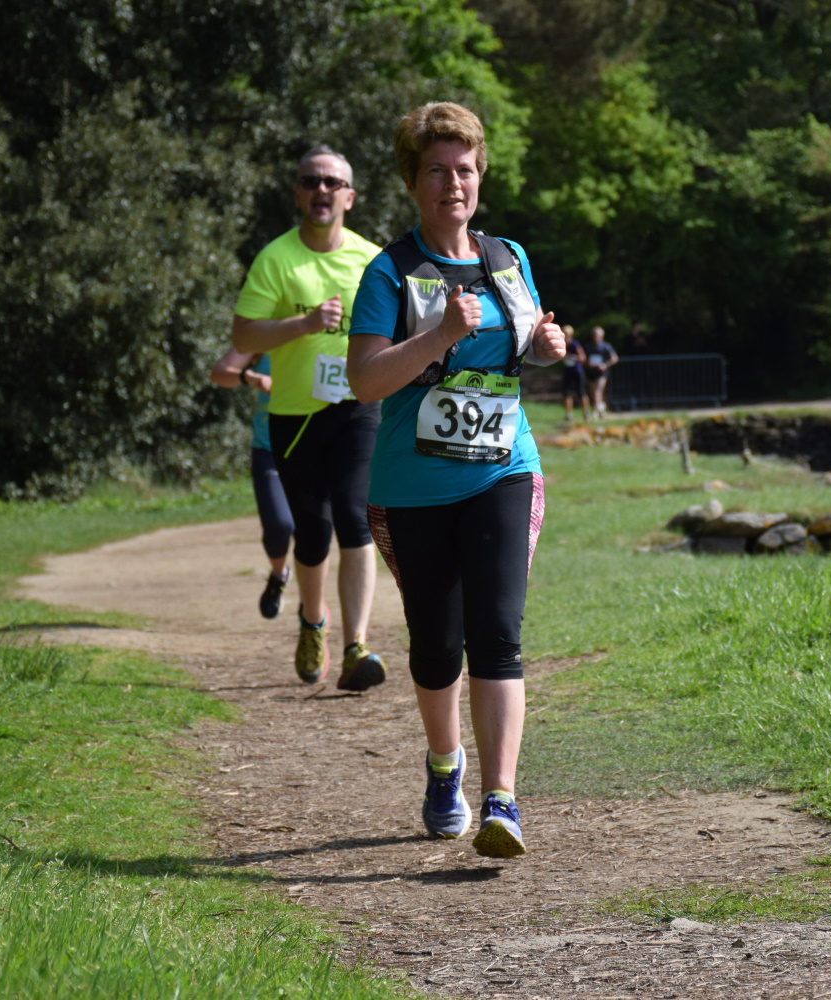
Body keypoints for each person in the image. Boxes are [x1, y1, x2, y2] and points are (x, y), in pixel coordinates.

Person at [346, 102, 567, 859]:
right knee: (437, 647)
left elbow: (520, 348)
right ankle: (446, 767)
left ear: (480, 177)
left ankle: (502, 801)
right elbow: (365, 381)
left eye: (465, 169)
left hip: (504, 470)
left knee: (497, 633)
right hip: (413, 486)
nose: (453, 183)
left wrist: (545, 346)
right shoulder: (389, 272)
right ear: (413, 182)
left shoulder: (508, 256)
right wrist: (438, 334)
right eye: (437, 171)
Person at [230, 145, 386, 693]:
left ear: (350, 197)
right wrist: (304, 324)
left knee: (355, 518)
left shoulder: (372, 260)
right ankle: (313, 621)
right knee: (313, 533)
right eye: (311, 181)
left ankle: (356, 645)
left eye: (332, 182)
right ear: (298, 193)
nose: (322, 190)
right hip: (295, 417)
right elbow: (242, 335)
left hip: (359, 409)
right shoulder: (276, 259)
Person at [209, 350, 295, 618]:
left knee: (312, 533)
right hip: (268, 449)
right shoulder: (265, 335)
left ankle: (312, 611)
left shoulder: (328, 331)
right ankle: (279, 575)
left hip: (313, 448)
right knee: (279, 525)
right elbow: (219, 373)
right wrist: (251, 377)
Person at [584, 325, 618, 418]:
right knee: (593, 392)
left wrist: (605, 365)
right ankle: (601, 408)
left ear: (602, 336)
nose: (595, 337)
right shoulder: (588, 346)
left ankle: (595, 410)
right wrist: (588, 363)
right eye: (594, 335)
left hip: (602, 373)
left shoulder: (606, 346)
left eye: (597, 335)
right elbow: (584, 358)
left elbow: (614, 358)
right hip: (591, 372)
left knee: (597, 390)